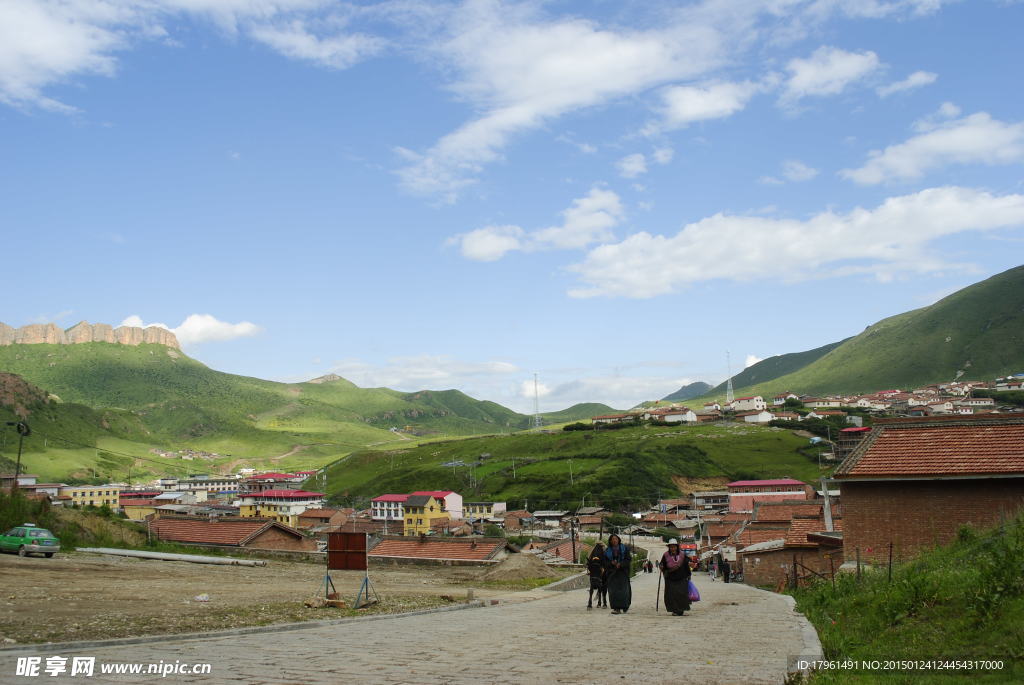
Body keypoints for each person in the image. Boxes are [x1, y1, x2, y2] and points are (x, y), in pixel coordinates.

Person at [658, 539, 692, 616]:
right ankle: (675, 610)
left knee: (682, 594)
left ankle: (681, 609)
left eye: (674, 547)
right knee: (672, 595)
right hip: (670, 578)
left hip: (682, 577)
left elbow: (687, 563)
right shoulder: (666, 555)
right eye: (671, 547)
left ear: (677, 547)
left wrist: (689, 573)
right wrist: (661, 566)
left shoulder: (682, 555)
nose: (672, 548)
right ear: (669, 547)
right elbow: (662, 564)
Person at [603, 534, 632, 614]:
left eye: (616, 539)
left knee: (624, 591)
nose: (614, 540)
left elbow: (628, 559)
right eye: (612, 539)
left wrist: (621, 564)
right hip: (612, 573)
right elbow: (604, 562)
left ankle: (625, 606)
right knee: (613, 591)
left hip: (623, 572)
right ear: (610, 541)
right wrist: (611, 563)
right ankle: (616, 608)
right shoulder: (607, 551)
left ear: (618, 540)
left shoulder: (625, 549)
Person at [586, 543, 607, 609]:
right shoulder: (593, 551)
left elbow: (605, 561)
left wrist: (604, 568)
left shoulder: (604, 551)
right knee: (592, 585)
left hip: (601, 567)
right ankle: (591, 602)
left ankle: (604, 602)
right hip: (594, 568)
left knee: (604, 584)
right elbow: (589, 562)